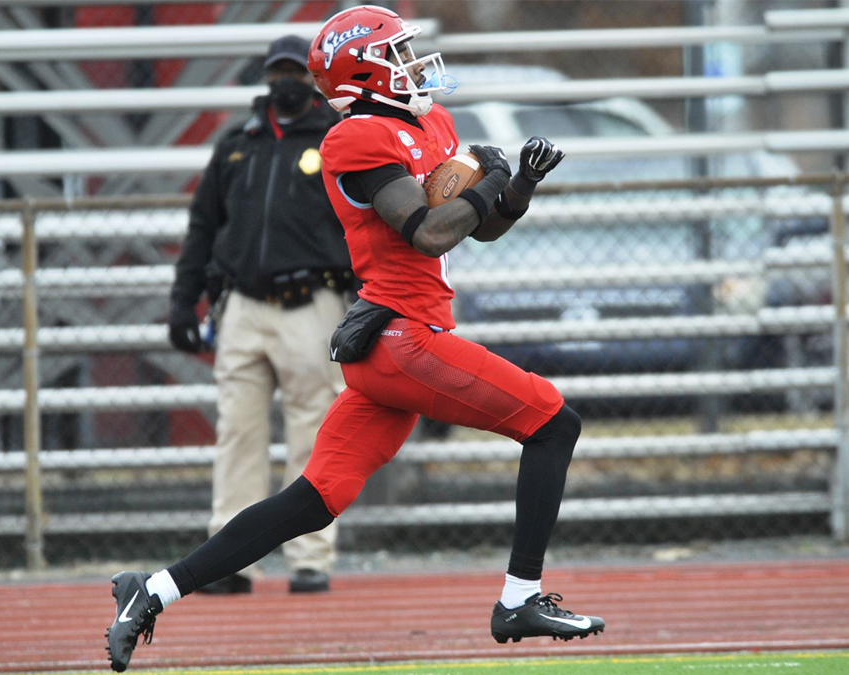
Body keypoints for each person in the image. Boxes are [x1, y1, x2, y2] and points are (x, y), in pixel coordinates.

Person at [106, 7, 603, 671]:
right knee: (552, 421)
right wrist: (486, 180)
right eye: (398, 54)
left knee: (314, 497)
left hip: (392, 342)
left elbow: (473, 227)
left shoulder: (431, 121)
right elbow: (426, 230)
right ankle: (519, 597)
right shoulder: (355, 138)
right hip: (405, 340)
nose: (415, 65)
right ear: (365, 70)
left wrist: (518, 186)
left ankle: (153, 588)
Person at [166, 34, 352, 596]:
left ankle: (311, 558)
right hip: (242, 305)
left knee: (313, 436)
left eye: (296, 72)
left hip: (314, 302)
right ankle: (230, 560)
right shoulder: (235, 143)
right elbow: (203, 227)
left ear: (313, 79)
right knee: (237, 435)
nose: (284, 83)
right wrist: (182, 300)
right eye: (277, 73)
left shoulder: (337, 139)